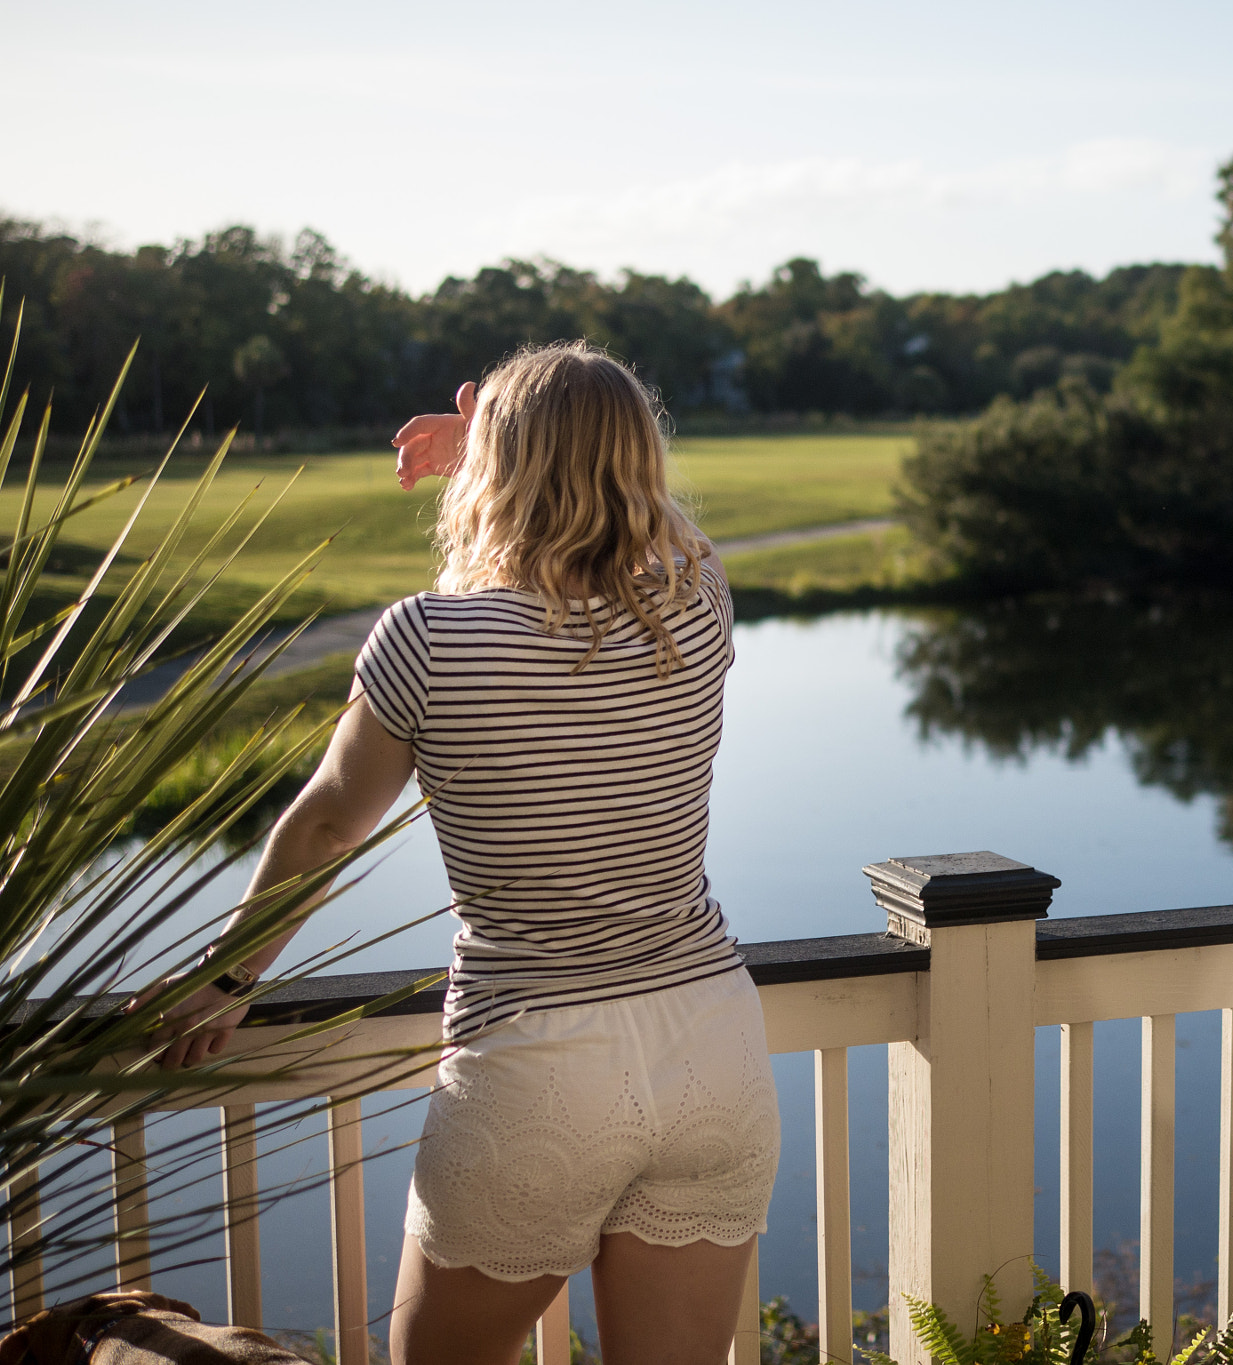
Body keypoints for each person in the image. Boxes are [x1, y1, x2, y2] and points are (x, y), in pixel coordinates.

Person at [142, 342, 779, 1365]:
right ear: (641, 464)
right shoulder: (695, 606)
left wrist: (227, 979)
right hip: (712, 1047)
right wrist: (502, 443)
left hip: (537, 1058)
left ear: (502, 463)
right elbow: (670, 530)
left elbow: (325, 825)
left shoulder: (427, 639)